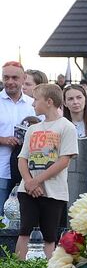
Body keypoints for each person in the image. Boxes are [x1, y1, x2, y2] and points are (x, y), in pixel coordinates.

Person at [16, 84, 78, 258]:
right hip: (27, 189)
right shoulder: (33, 129)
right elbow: (22, 159)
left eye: (36, 100)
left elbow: (64, 160)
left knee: (49, 235)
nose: (33, 104)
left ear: (49, 102)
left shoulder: (66, 127)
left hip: (54, 191)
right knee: (24, 231)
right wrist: (29, 181)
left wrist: (38, 180)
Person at [0, 62, 35, 207]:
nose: (10, 82)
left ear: (23, 78)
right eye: (6, 77)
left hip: (27, 173)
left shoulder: (33, 104)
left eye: (15, 78)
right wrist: (3, 139)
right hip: (1, 170)